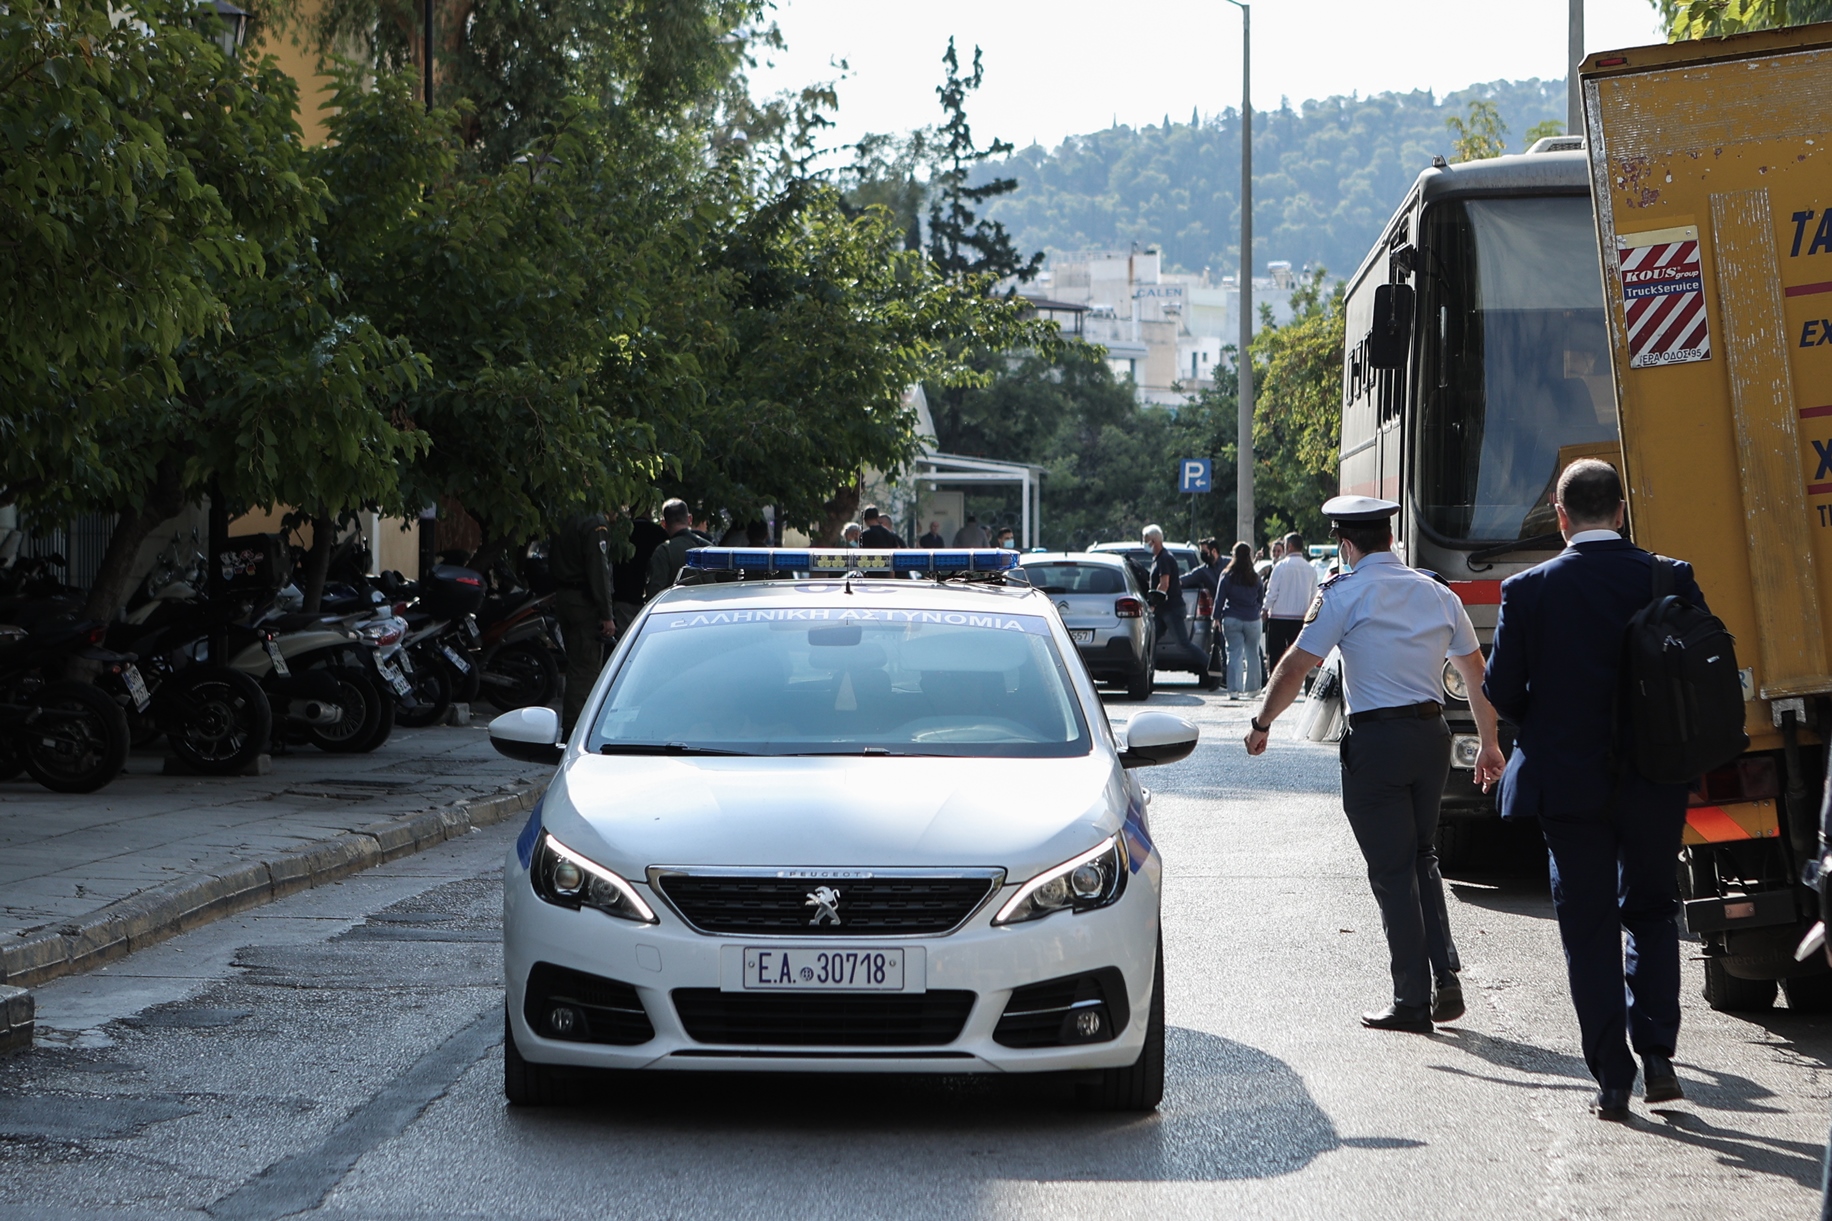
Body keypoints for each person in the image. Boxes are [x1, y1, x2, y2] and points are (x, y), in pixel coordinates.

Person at [1481, 459, 1704, 1121]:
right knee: (1654, 910)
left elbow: (1504, 692)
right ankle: (1659, 1053)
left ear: (1560, 515)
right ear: (1622, 509)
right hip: (1656, 777)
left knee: (1588, 927)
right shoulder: (1671, 576)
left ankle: (1612, 1078)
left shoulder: (1528, 590)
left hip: (1567, 783)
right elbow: (1699, 667)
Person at [1244, 496, 1505, 1032]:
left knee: (1391, 871)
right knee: (1421, 856)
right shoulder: (1437, 591)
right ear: (1391, 539)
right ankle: (1444, 978)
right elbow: (1477, 672)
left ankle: (1412, 1000)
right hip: (1431, 736)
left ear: (1345, 543)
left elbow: (1297, 665)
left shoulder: (1343, 593)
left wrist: (1262, 721)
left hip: (1378, 742)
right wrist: (1489, 743)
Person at [550, 510, 616, 736]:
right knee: (585, 670)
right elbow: (598, 570)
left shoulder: (564, 515)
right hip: (584, 602)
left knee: (576, 665)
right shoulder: (594, 522)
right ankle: (574, 731)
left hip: (565, 597)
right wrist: (607, 614)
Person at [1263, 531, 1319, 673]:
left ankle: (1275, 682)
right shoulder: (1310, 569)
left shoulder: (1281, 567)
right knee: (1296, 654)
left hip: (1279, 617)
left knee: (1276, 654)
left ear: (1290, 546)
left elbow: (1272, 592)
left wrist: (1265, 609)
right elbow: (1314, 596)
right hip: (1300, 618)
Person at [1142, 524, 1196, 669]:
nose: (1145, 544)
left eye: (1146, 541)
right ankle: (1147, 670)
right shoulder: (1157, 558)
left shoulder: (1165, 558)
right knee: (1150, 641)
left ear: (1154, 541)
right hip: (1163, 610)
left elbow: (1164, 584)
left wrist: (1153, 603)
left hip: (1171, 609)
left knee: (1183, 644)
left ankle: (1212, 667)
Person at [1215, 542, 1265, 699]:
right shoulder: (1255, 577)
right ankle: (1253, 689)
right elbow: (1260, 599)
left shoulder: (1227, 575)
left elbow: (1219, 598)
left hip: (1232, 618)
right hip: (1252, 619)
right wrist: (1255, 609)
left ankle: (1234, 690)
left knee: (1234, 654)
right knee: (1253, 653)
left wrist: (1216, 617)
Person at [609, 511, 667, 633]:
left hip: (624, 595)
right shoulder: (660, 534)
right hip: (653, 599)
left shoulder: (621, 533)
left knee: (626, 640)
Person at [645, 499, 711, 600]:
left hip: (675, 613)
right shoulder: (710, 549)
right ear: (690, 519)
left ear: (663, 523)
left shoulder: (664, 552)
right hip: (707, 613)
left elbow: (655, 595)